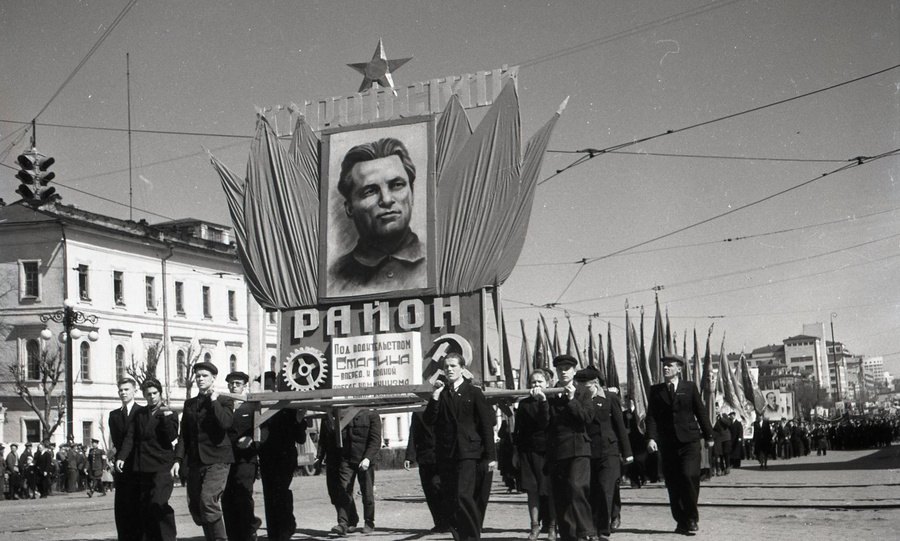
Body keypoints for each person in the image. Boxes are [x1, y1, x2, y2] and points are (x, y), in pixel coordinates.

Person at [330, 137, 425, 295]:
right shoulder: (335, 276)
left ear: (412, 194)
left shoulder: (439, 263)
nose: (386, 200)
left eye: (397, 185)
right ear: (350, 209)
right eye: (370, 191)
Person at [422, 352, 496, 541]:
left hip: (468, 452)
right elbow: (429, 420)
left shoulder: (474, 392)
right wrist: (435, 397)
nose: (449, 369)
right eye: (446, 366)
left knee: (463, 495)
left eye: (453, 366)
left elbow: (486, 425)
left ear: (463, 369)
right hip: (447, 454)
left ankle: (472, 537)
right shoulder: (442, 393)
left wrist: (491, 456)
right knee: (451, 499)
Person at [645, 354, 714, 536]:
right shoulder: (656, 390)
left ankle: (691, 518)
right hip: (668, 444)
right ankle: (681, 521)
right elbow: (651, 416)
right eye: (664, 366)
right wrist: (651, 438)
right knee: (673, 484)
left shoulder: (689, 387)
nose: (666, 368)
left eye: (670, 365)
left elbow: (701, 412)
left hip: (689, 441)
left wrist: (709, 436)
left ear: (679, 369)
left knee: (689, 476)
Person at [533, 354, 596, 541]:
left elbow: (587, 418)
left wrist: (571, 400)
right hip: (557, 450)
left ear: (574, 371)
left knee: (577, 488)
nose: (563, 372)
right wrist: (543, 402)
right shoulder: (550, 393)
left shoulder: (582, 392)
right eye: (560, 370)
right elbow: (544, 424)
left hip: (578, 449)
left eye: (567, 369)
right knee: (560, 494)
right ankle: (569, 536)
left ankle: (586, 532)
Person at [174, 361, 234, 541]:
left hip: (218, 458)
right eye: (198, 376)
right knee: (196, 507)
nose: (200, 379)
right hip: (195, 461)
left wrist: (213, 400)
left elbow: (225, 423)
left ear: (213, 378)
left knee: (208, 501)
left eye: (204, 376)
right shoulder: (190, 404)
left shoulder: (224, 400)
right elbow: (184, 435)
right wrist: (177, 459)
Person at [116, 378, 178, 541]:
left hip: (161, 466)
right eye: (148, 394)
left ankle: (168, 537)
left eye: (154, 393)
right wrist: (122, 457)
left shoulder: (169, 412)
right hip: (142, 466)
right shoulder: (140, 414)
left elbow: (171, 436)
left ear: (160, 393)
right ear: (143, 395)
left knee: (158, 503)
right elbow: (130, 437)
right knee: (145, 507)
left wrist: (166, 418)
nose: (151, 397)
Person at [577, 367, 632, 541]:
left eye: (583, 384)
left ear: (594, 383)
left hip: (609, 450)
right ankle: (594, 526)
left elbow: (620, 426)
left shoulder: (609, 399)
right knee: (592, 490)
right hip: (587, 451)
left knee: (605, 487)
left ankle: (603, 530)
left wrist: (627, 452)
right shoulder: (578, 400)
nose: (579, 387)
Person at [257, 371, 308, 541]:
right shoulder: (259, 408)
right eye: (265, 386)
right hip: (266, 457)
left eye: (270, 385)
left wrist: (299, 420)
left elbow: (300, 439)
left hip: (285, 457)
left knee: (280, 492)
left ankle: (286, 528)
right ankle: (275, 533)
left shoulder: (289, 408)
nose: (268, 389)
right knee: (270, 494)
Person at [316, 407, 382, 536]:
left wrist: (368, 458)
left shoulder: (371, 414)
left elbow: (375, 440)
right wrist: (320, 456)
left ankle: (369, 522)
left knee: (367, 493)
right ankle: (343, 524)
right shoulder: (343, 413)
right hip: (346, 459)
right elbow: (328, 438)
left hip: (364, 460)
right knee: (343, 489)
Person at [513, 369, 556, 541]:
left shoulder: (552, 401)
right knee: (532, 491)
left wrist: (543, 401)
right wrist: (516, 453)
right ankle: (534, 527)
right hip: (528, 452)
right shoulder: (524, 404)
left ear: (547, 383)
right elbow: (518, 431)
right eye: (533, 382)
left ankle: (552, 528)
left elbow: (545, 423)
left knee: (551, 491)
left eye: (540, 382)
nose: (536, 385)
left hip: (548, 453)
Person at [222, 371, 262, 541]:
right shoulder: (223, 406)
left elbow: (263, 429)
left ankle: (248, 531)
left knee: (243, 493)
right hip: (226, 458)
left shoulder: (252, 406)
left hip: (246, 457)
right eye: (231, 383)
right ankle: (232, 534)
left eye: (237, 383)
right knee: (226, 496)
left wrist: (252, 438)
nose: (234, 386)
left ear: (245, 386)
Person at [110, 377, 143, 541]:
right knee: (122, 508)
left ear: (134, 391)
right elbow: (117, 440)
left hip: (139, 466)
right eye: (121, 390)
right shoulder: (114, 415)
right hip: (121, 468)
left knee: (138, 507)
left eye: (126, 389)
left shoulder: (142, 412)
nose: (123, 393)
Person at [404, 411, 446, 533]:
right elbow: (414, 434)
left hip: (444, 456)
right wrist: (409, 457)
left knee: (438, 486)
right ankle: (439, 522)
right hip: (425, 457)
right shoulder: (418, 413)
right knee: (429, 491)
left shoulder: (445, 406)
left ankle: (448, 520)